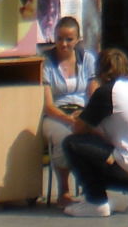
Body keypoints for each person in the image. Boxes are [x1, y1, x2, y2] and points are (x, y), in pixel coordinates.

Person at [61, 48, 128, 218]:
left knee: (73, 144)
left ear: (101, 70)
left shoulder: (107, 93)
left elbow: (79, 128)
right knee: (98, 147)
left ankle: (96, 201)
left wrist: (80, 116)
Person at [40, 16, 97, 203]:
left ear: (78, 40)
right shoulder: (46, 62)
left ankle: (95, 188)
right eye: (59, 39)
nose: (63, 44)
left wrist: (84, 116)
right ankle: (63, 191)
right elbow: (48, 106)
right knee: (65, 138)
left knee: (101, 134)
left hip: (81, 112)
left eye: (69, 39)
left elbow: (93, 95)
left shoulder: (87, 59)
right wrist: (69, 119)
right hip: (56, 115)